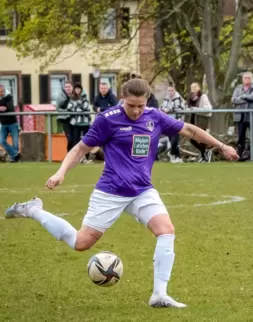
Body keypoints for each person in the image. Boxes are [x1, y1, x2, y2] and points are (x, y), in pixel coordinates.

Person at [4, 78, 239, 308]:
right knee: (80, 243)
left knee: (166, 231)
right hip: (111, 191)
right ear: (122, 99)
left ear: (147, 101)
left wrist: (221, 146)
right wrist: (61, 172)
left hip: (142, 190)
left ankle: (159, 295)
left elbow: (189, 129)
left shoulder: (154, 117)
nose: (136, 111)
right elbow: (80, 149)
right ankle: (34, 210)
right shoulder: (107, 120)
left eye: (141, 106)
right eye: (131, 105)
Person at [186, 82, 213, 162]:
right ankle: (204, 152)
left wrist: (195, 109)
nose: (193, 88)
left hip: (201, 119)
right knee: (192, 139)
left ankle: (204, 156)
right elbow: (190, 108)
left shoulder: (203, 96)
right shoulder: (191, 97)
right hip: (193, 119)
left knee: (202, 138)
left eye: (195, 86)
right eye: (192, 87)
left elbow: (208, 109)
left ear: (199, 87)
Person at [161, 83, 185, 163]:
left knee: (175, 138)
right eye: (169, 91)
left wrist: (170, 109)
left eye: (172, 90)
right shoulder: (166, 98)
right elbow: (162, 106)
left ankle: (171, 154)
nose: (170, 92)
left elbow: (181, 108)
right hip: (167, 121)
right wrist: (162, 109)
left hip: (176, 121)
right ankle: (177, 157)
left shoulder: (178, 98)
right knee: (171, 139)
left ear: (174, 91)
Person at [0, 84, 21, 162]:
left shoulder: (9, 96)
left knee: (15, 143)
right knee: (1, 141)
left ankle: (14, 160)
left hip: (12, 123)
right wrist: (2, 108)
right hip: (3, 123)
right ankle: (15, 154)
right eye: (0, 92)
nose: (1, 93)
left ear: (4, 90)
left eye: (2, 91)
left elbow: (10, 108)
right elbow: (3, 108)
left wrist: (5, 108)